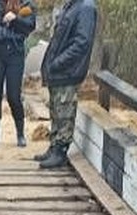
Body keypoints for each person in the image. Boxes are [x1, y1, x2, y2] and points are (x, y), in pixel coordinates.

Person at [36, 0, 97, 168]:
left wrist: (58, 62)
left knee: (65, 110)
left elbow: (82, 43)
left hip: (68, 71)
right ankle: (54, 146)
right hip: (58, 71)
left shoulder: (86, 8)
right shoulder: (71, 6)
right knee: (56, 109)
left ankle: (60, 151)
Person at [0, 0, 36, 146]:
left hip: (15, 53)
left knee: (14, 96)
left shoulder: (26, 5)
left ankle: (20, 135)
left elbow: (30, 26)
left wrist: (15, 19)